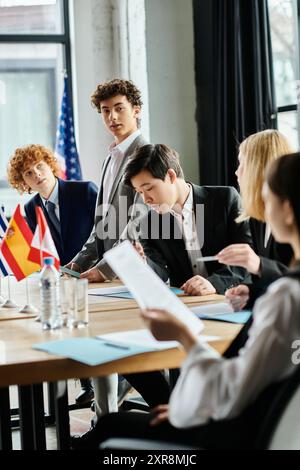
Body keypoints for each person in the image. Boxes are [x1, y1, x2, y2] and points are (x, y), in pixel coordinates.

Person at [71, 152, 300, 450]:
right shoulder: (151, 219)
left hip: (233, 430)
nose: (262, 211)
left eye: (267, 200)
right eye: (140, 193)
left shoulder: (284, 298)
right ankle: (173, 401)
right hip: (244, 416)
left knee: (110, 426)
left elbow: (232, 390)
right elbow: (157, 266)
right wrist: (141, 264)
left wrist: (184, 335)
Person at [67, 79, 148, 421]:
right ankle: (106, 421)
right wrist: (74, 265)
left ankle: (112, 421)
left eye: (119, 108)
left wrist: (104, 269)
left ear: (136, 111)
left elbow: (141, 222)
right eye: (105, 111)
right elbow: (103, 226)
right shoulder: (111, 157)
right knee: (101, 346)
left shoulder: (146, 153)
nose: (112, 117)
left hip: (132, 271)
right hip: (108, 275)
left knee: (116, 352)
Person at [7, 143, 98, 404]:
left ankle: (108, 380)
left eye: (39, 166)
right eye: (28, 173)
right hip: (63, 279)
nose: (36, 174)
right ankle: (86, 382)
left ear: (51, 165)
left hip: (95, 274)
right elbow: (42, 248)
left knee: (89, 326)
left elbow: (106, 234)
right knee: (67, 325)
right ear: (24, 182)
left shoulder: (84, 191)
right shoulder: (31, 208)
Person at [123, 143, 252, 295]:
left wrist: (214, 283)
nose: (146, 200)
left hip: (234, 299)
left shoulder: (225, 200)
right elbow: (159, 273)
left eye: (149, 188)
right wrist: (142, 262)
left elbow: (247, 253)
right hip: (187, 304)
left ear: (170, 176)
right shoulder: (149, 223)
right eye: (140, 192)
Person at [216, 129, 294, 311]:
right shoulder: (258, 218)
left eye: (241, 163)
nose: (236, 172)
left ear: (257, 167)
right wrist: (251, 293)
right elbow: (273, 283)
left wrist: (259, 265)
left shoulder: (292, 217)